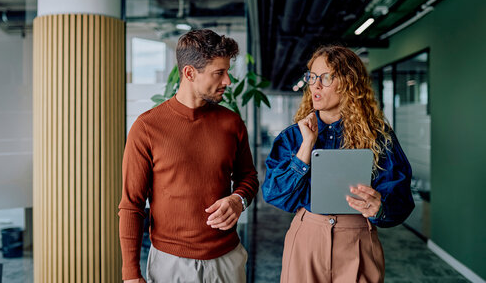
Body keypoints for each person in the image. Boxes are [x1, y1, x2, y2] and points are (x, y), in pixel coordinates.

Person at [262, 45, 414, 282]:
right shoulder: (293, 136)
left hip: (357, 238)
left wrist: (380, 208)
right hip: (307, 237)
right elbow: (274, 194)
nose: (315, 85)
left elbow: (403, 200)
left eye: (325, 77)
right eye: (312, 77)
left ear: (348, 82)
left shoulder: (378, 137)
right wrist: (306, 147)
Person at [118, 29, 259, 283]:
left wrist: (239, 200)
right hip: (170, 264)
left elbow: (248, 177)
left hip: (227, 259)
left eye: (227, 71)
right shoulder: (147, 127)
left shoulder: (232, 123)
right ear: (190, 73)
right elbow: (131, 205)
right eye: (219, 73)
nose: (228, 81)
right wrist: (130, 274)